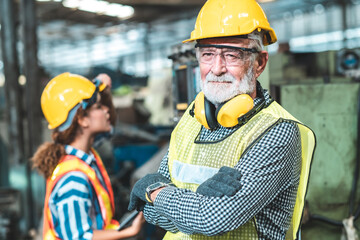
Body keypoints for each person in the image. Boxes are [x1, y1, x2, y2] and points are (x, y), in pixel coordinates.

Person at [128, 0, 316, 239]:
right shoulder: (191, 120)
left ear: (259, 63)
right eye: (207, 54)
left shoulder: (277, 131)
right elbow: (154, 215)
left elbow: (213, 219)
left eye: (231, 55)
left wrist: (154, 192)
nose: (216, 68)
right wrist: (196, 204)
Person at [32, 72, 145, 240]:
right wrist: (128, 231)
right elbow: (78, 237)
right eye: (99, 107)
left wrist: (102, 92)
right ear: (82, 120)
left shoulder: (84, 155)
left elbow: (109, 126)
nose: (106, 109)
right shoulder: (74, 179)